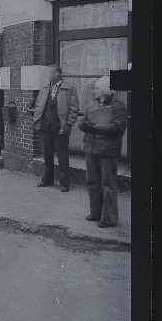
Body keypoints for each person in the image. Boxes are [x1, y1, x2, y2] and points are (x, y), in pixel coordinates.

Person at [78, 75, 127, 228]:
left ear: (106, 91)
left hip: (107, 150)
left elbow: (117, 128)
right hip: (91, 148)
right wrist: (83, 126)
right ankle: (96, 213)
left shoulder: (118, 107)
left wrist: (94, 128)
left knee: (108, 184)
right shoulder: (92, 104)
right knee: (92, 182)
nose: (94, 91)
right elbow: (82, 121)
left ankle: (109, 218)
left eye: (97, 88)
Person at [33, 64, 79, 192]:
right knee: (47, 155)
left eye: (51, 73)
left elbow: (73, 109)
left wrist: (68, 124)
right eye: (48, 73)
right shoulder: (45, 87)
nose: (48, 75)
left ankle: (64, 183)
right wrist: (38, 118)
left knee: (62, 156)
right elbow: (38, 104)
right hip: (46, 126)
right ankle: (47, 179)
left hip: (61, 128)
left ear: (58, 74)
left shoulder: (69, 88)